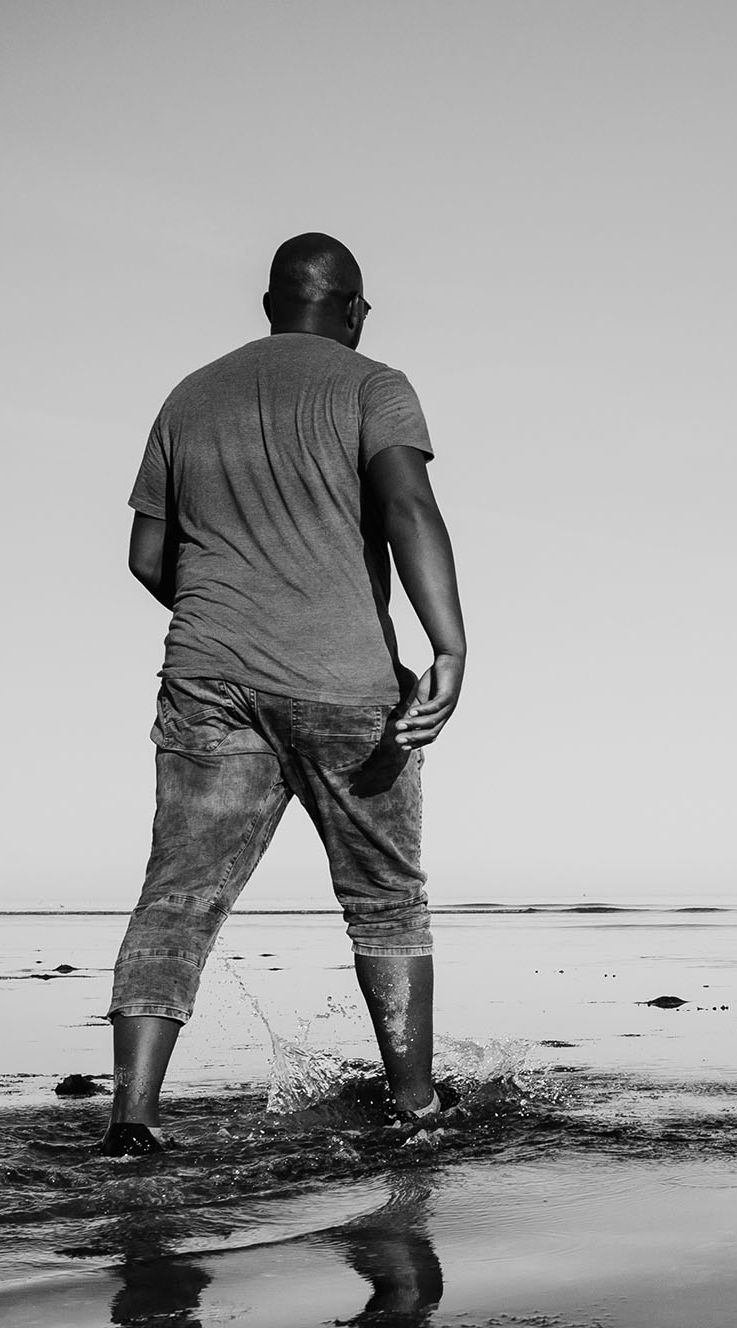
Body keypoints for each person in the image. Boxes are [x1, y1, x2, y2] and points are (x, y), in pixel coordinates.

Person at [98, 233, 466, 1157]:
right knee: (385, 900)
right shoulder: (372, 384)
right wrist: (449, 645)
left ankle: (132, 1123)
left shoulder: (190, 396)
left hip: (207, 681)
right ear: (355, 310)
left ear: (269, 304)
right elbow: (407, 507)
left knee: (176, 899)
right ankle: (414, 1108)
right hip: (343, 686)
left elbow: (148, 556)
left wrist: (231, 614)